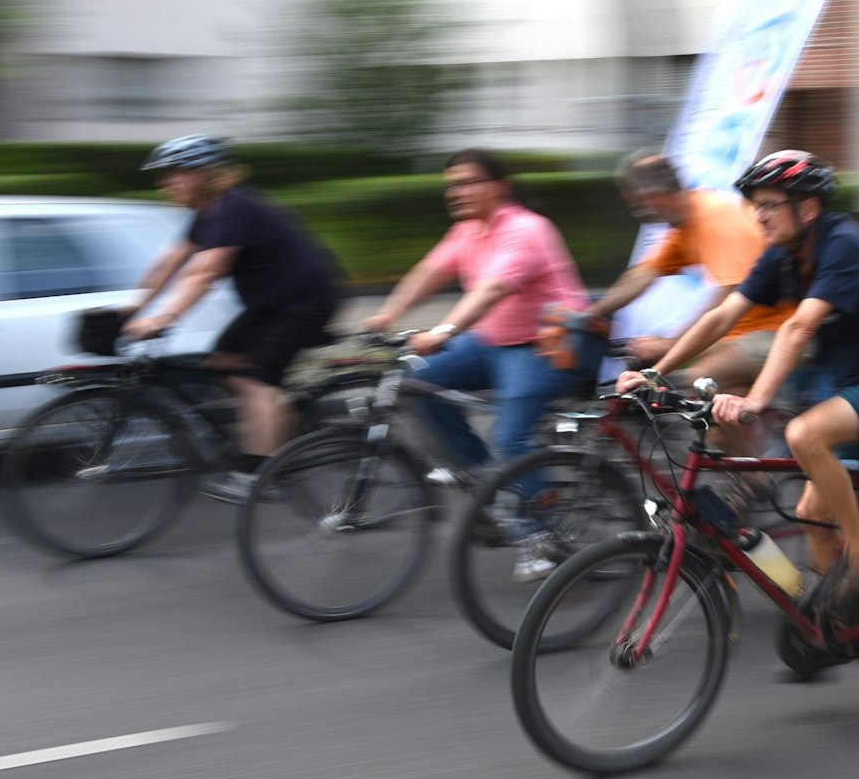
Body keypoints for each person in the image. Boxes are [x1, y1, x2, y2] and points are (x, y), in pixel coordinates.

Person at [616, 150, 859, 652]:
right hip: (845, 381)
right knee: (812, 510)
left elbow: (800, 327)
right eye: (756, 204)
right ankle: (838, 627)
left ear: (807, 209)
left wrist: (755, 400)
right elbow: (721, 318)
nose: (758, 215)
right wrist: (657, 371)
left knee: (803, 434)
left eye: (769, 204)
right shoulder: (780, 255)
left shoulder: (842, 245)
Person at [120, 135, 340, 503]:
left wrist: (164, 317)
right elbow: (170, 262)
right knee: (222, 363)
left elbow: (205, 273)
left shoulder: (235, 207)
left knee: (254, 380)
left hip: (304, 303)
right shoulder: (205, 214)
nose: (165, 183)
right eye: (164, 175)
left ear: (203, 174)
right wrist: (132, 308)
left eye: (174, 173)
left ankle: (258, 473)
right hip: (269, 306)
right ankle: (284, 428)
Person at [362, 149, 596, 491]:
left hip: (546, 347)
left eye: (469, 183)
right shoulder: (467, 230)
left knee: (510, 439)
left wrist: (442, 331)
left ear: (501, 187)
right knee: (417, 380)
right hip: (493, 341)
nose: (457, 193)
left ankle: (543, 529)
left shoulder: (525, 228)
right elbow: (431, 271)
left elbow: (492, 288)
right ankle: (483, 477)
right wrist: (388, 314)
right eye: (452, 186)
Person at [583, 151, 791, 455]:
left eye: (637, 204)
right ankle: (747, 481)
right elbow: (642, 275)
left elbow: (728, 296)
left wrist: (671, 344)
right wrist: (588, 314)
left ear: (654, 197)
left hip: (770, 330)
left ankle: (756, 479)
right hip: (735, 334)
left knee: (696, 381)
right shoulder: (685, 226)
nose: (637, 211)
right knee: (714, 429)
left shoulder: (716, 217)